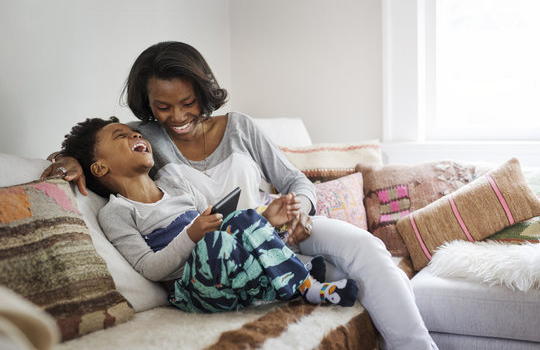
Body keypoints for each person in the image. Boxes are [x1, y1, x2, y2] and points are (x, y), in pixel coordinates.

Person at [42, 41, 438, 348]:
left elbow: (293, 180)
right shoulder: (145, 136)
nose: (177, 117)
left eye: (187, 102)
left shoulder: (240, 128)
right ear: (148, 105)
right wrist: (69, 161)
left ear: (203, 90)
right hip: (229, 253)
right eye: (162, 107)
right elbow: (96, 146)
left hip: (279, 225)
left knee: (367, 250)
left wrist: (300, 208)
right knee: (345, 276)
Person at [58, 116, 359, 313]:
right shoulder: (117, 212)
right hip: (192, 290)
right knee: (216, 243)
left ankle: (304, 286)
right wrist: (192, 235)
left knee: (239, 221)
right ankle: (301, 281)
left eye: (134, 131)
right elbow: (149, 268)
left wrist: (266, 218)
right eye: (120, 136)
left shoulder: (175, 185)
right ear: (99, 168)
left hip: (228, 269)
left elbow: (221, 221)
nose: (134, 134)